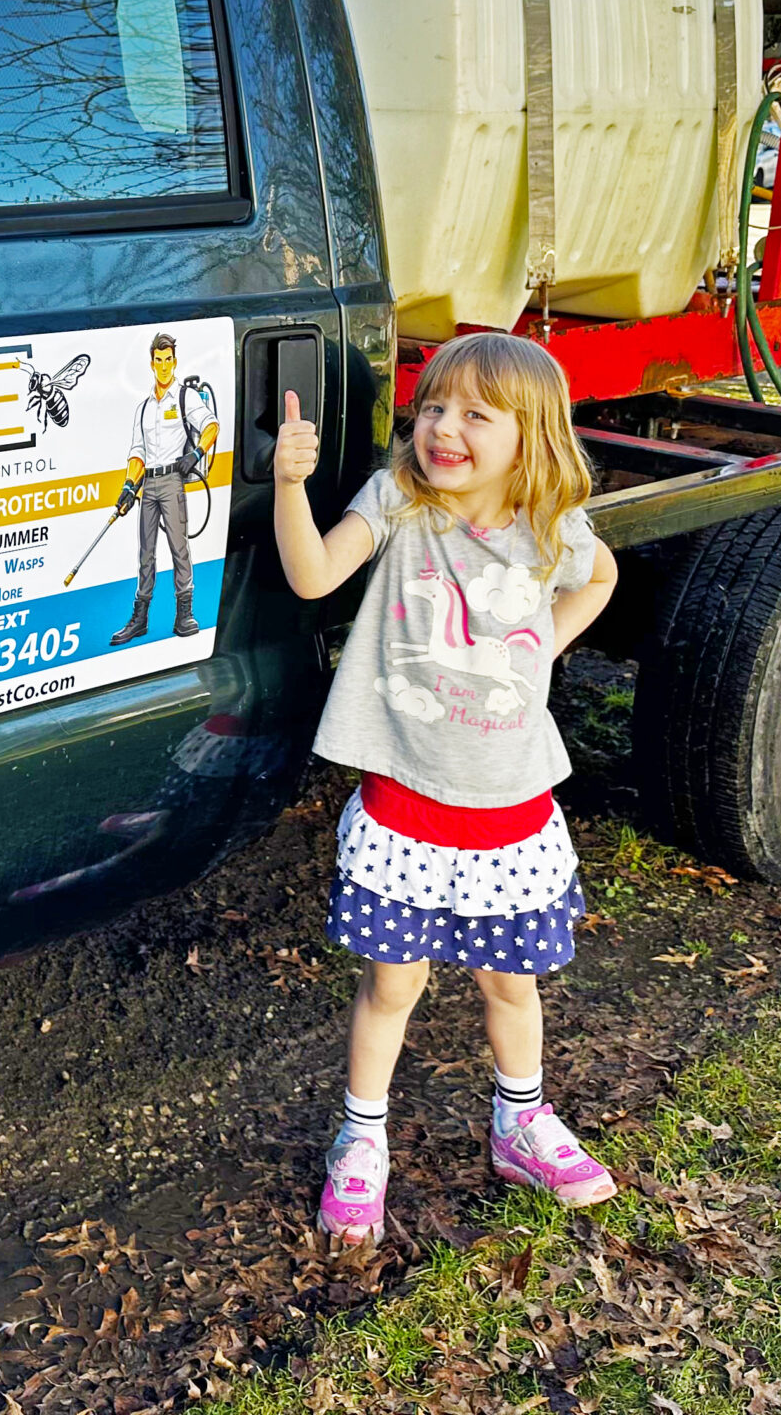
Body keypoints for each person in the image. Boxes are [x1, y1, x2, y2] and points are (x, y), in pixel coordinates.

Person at [270, 333, 620, 1245]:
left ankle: (521, 1124)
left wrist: (547, 640)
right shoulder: (401, 504)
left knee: (513, 987)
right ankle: (363, 1139)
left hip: (513, 815)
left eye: (474, 413)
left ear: (530, 436)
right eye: (432, 407)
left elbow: (603, 575)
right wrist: (288, 485)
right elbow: (311, 574)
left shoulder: (551, 527)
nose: (443, 428)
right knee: (393, 988)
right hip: (406, 815)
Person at [109, 332, 219, 645]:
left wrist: (195, 454)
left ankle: (184, 614)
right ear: (151, 363)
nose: (163, 366)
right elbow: (137, 452)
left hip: (173, 480)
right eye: (158, 361)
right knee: (146, 552)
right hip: (148, 484)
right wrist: (129, 486)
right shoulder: (143, 408)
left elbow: (211, 426)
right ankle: (140, 618)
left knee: (178, 547)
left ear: (174, 360)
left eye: (168, 360)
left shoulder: (185, 397)